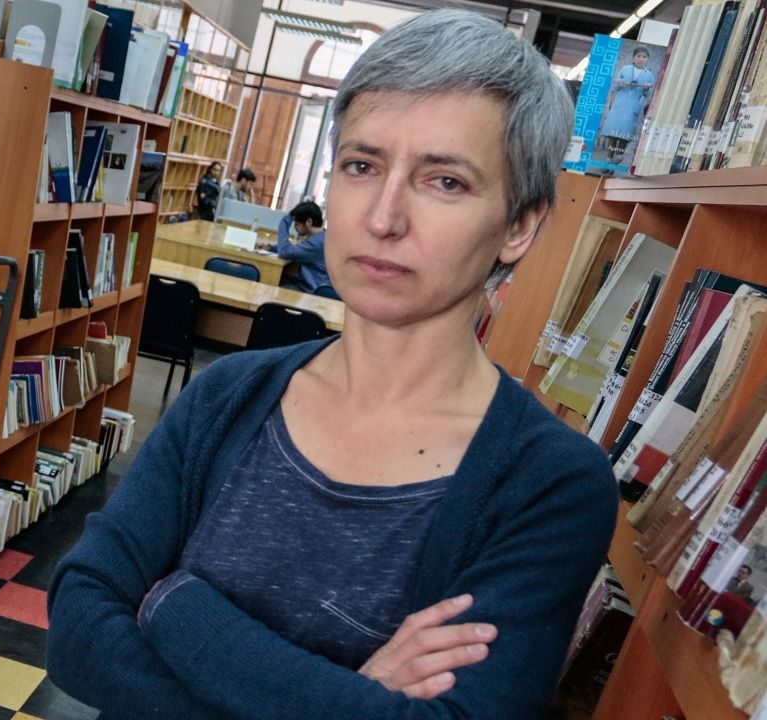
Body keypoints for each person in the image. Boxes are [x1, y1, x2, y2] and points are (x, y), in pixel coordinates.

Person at [47, 9, 617, 720]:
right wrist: (346, 699)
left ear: (518, 226)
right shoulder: (228, 395)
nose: (382, 218)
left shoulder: (549, 484)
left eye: (444, 181)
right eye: (361, 166)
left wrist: (175, 607)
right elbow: (79, 627)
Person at [599, 46, 655, 164]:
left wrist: (646, 89)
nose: (641, 59)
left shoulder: (649, 75)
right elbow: (615, 87)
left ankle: (617, 159)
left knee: (624, 135)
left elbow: (647, 94)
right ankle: (608, 160)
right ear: (634, 57)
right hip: (619, 105)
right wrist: (621, 84)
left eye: (644, 57)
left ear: (647, 59)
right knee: (613, 134)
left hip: (633, 108)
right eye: (638, 56)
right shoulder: (625, 69)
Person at [272, 201, 329, 294]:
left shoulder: (316, 242)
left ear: (309, 222)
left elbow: (284, 252)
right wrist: (272, 248)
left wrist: (284, 222)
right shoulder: (321, 237)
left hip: (308, 290)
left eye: (297, 224)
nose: (295, 227)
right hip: (306, 284)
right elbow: (296, 250)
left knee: (271, 286)